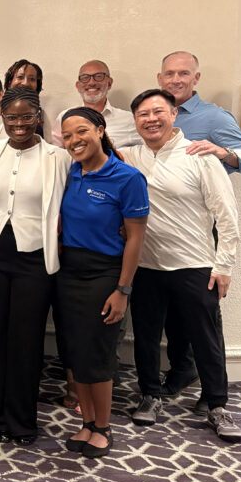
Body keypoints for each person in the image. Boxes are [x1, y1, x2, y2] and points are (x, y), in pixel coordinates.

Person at [122, 89, 241, 443]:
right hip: (146, 265)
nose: (151, 119)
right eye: (143, 114)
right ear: (136, 121)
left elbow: (227, 214)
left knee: (206, 338)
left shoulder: (199, 156)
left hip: (195, 264)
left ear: (174, 114)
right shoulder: (130, 156)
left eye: (158, 112)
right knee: (145, 335)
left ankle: (217, 404)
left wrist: (224, 265)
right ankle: (150, 394)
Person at [155, 52, 241, 400]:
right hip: (162, 232)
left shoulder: (214, 117)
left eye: (183, 73)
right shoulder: (154, 114)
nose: (176, 79)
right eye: (170, 73)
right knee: (173, 312)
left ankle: (213, 393)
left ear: (196, 78)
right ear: (160, 78)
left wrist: (223, 152)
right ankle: (181, 369)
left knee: (203, 313)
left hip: (201, 230)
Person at [0, 86, 70, 445]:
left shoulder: (57, 157)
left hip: (34, 257)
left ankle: (21, 420)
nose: (19, 123)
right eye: (11, 117)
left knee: (25, 340)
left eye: (26, 116)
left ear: (38, 117)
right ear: (3, 118)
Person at [56, 107, 148, 458]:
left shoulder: (127, 177)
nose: (74, 140)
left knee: (98, 353)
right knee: (76, 352)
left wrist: (123, 290)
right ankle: (87, 422)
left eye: (81, 131)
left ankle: (103, 427)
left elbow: (136, 239)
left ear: (99, 129)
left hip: (105, 272)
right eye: (67, 136)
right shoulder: (71, 172)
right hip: (69, 271)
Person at [47, 61, 140, 149]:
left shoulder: (129, 120)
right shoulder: (65, 117)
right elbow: (56, 153)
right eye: (85, 78)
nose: (91, 83)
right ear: (78, 86)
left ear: (109, 83)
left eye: (99, 76)